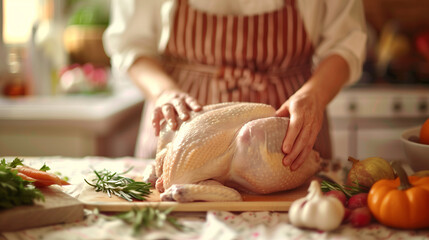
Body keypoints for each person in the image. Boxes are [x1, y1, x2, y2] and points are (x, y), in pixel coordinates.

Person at [103, 0, 367, 171]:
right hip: (182, 121)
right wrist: (163, 91)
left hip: (288, 130)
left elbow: (346, 41)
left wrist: (315, 95)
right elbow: (131, 44)